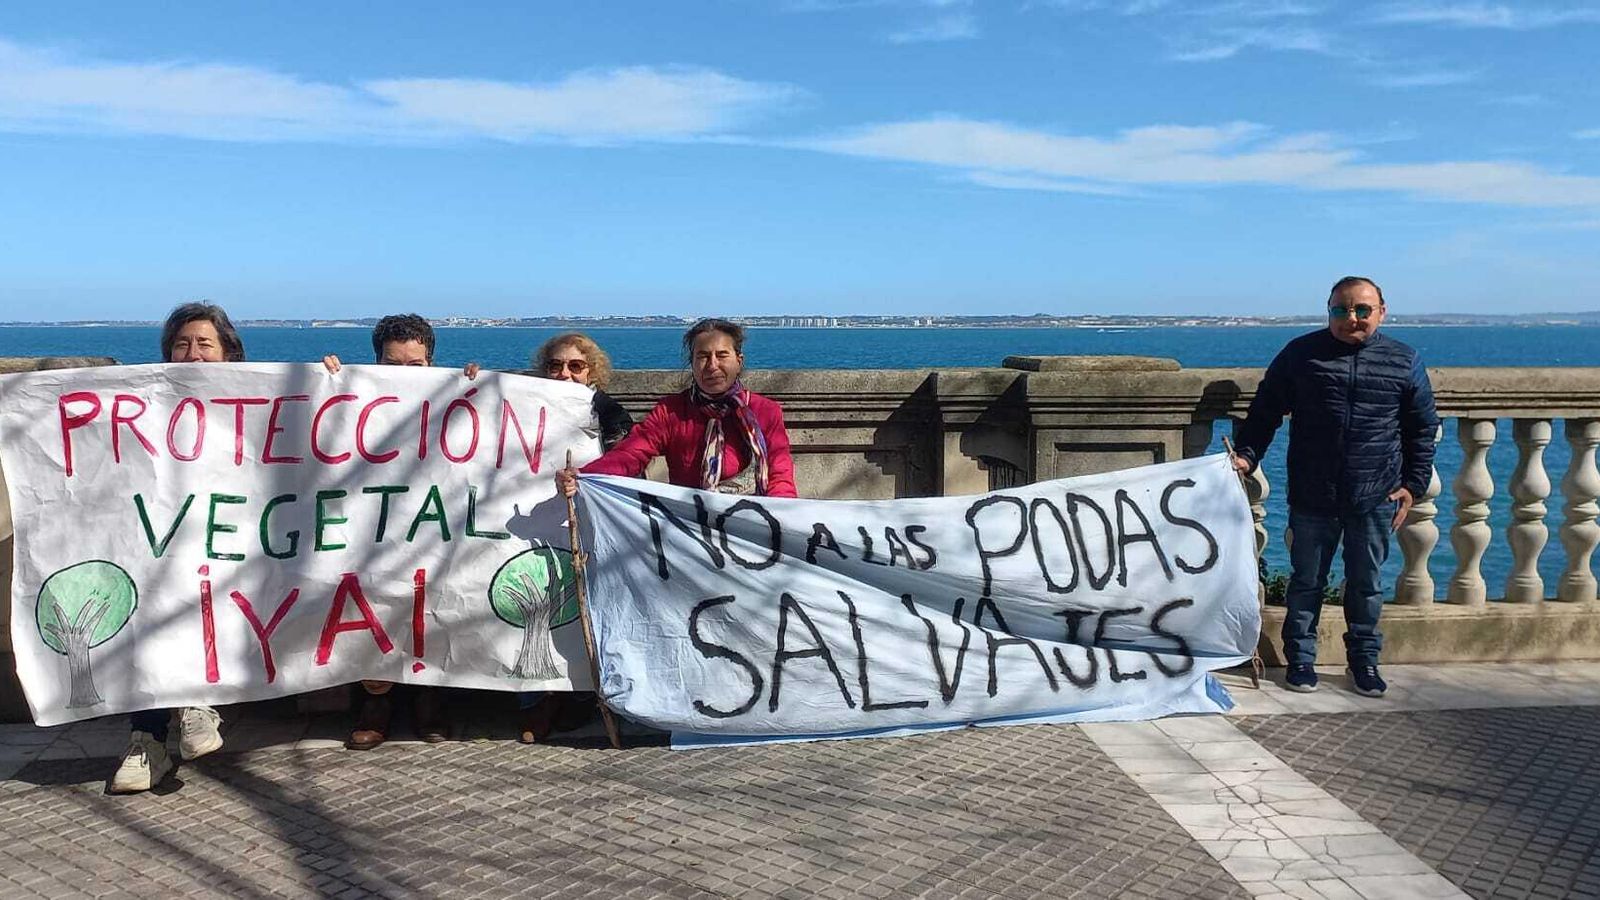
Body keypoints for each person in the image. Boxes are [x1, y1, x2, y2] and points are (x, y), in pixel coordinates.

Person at [1233, 276, 1439, 698]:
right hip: (1313, 491)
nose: (1352, 318)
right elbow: (1265, 410)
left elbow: (1422, 429)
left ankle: (1364, 662)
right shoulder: (1301, 355)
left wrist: (1413, 486)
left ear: (1382, 311)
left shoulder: (1404, 360)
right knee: (1306, 581)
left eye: (1362, 310)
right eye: (1341, 310)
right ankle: (1301, 660)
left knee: (1366, 584)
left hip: (1376, 494)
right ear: (1328, 311)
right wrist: (1248, 455)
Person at [323, 314, 477, 750]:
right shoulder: (355, 396)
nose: (405, 376)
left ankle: (430, 698)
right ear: (375, 363)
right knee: (371, 604)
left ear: (431, 364)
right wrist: (327, 384)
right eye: (393, 365)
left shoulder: (450, 398)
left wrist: (471, 387)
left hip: (432, 525)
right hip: (371, 525)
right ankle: (376, 704)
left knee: (432, 603)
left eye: (416, 366)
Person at [111, 302, 245, 793]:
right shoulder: (144, 401)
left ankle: (197, 703)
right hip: (158, 538)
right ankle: (146, 739)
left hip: (231, 539)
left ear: (228, 354)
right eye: (181, 344)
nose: (193, 354)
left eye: (205, 344)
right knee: (149, 606)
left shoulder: (255, 399)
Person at [518, 333, 634, 743]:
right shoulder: (524, 403)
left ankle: (582, 697)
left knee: (583, 610)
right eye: (555, 366)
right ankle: (541, 699)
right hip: (533, 529)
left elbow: (629, 461)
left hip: (584, 524)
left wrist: (590, 478)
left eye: (575, 366)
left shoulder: (607, 411)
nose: (564, 374)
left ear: (592, 371)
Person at [556, 317, 796, 500]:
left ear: (738, 361)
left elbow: (780, 477)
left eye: (722, 355)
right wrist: (583, 476)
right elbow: (631, 454)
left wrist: (783, 524)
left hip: (750, 526)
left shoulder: (765, 412)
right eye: (702, 356)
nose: (712, 365)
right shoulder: (671, 411)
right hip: (689, 529)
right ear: (691, 363)